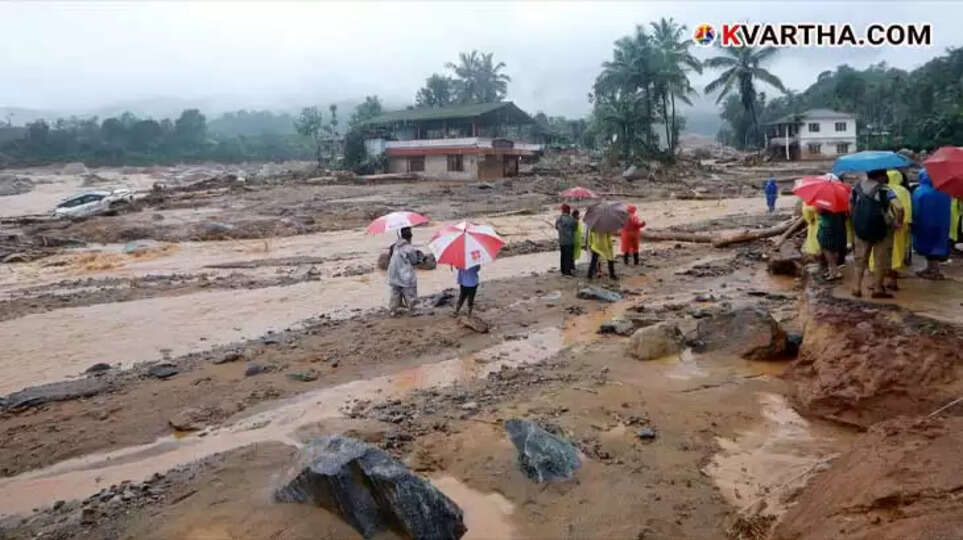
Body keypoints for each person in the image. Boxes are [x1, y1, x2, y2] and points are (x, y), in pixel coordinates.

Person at [851, 169, 903, 298]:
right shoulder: (885, 190)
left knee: (860, 259)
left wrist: (857, 222)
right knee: (880, 259)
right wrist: (898, 221)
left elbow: (851, 207)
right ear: (880, 176)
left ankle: (857, 287)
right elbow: (899, 207)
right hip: (882, 229)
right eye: (884, 174)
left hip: (861, 229)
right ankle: (878, 289)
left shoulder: (856, 188)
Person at [870, 170, 912, 289]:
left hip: (886, 226)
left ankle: (878, 282)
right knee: (897, 254)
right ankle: (893, 281)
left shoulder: (882, 189)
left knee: (880, 254)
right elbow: (907, 208)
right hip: (900, 226)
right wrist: (904, 223)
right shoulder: (904, 191)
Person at [912, 168, 951, 280]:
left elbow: (915, 208)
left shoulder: (919, 191)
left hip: (924, 223)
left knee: (927, 246)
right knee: (936, 246)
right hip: (942, 224)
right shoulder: (944, 190)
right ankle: (931, 268)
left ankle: (934, 270)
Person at [387, 227, 420, 315]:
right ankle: (412, 309)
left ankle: (393, 310)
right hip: (405, 274)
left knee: (395, 292)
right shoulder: (409, 248)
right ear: (410, 236)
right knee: (410, 291)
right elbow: (414, 261)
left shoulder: (394, 246)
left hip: (393, 273)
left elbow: (390, 256)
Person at [817, 207, 847, 281]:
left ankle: (832, 272)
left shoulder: (823, 205)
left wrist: (817, 209)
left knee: (827, 250)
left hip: (826, 229)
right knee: (835, 249)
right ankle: (835, 270)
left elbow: (819, 212)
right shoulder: (839, 205)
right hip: (838, 229)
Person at [555, 204, 577, 276]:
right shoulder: (572, 219)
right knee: (568, 256)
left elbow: (557, 227)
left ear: (562, 210)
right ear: (568, 210)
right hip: (570, 240)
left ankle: (563, 270)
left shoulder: (559, 218)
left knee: (563, 256)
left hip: (562, 240)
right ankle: (568, 272)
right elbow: (575, 229)